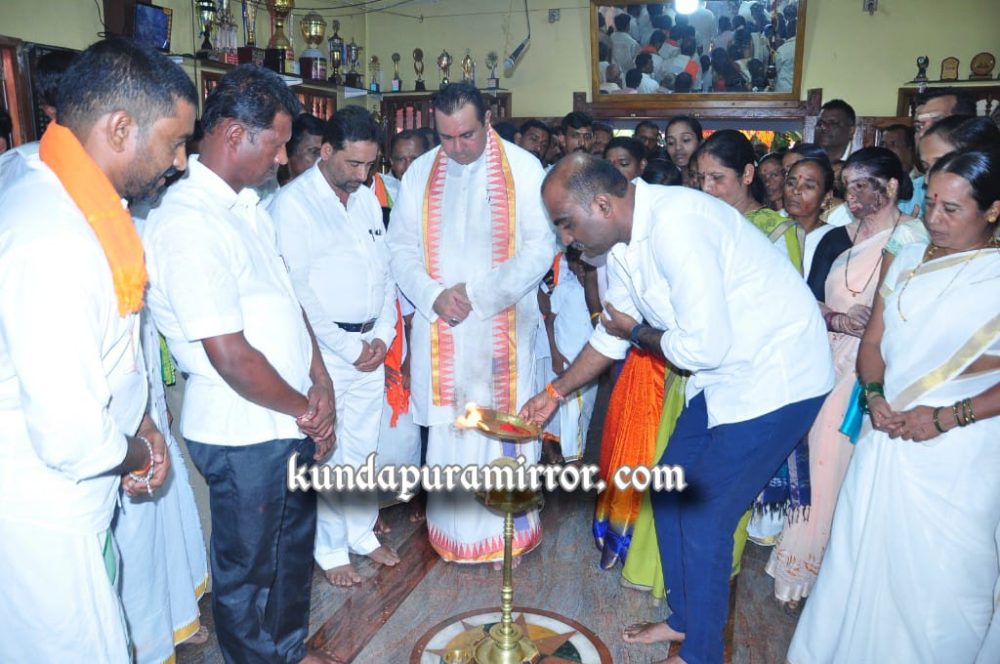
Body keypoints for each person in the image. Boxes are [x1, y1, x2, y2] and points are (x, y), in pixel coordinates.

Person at [524, 154, 833, 664]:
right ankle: (685, 619)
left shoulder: (679, 226)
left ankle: (701, 654)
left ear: (602, 204)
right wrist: (553, 393)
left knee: (707, 514)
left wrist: (636, 332)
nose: (565, 238)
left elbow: (695, 346)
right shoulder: (619, 245)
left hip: (779, 377)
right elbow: (612, 333)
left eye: (566, 223)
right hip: (724, 376)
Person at [0, 37, 190, 662]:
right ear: (120, 128)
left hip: (81, 498)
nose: (181, 162)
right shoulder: (51, 237)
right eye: (174, 142)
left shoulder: (70, 191)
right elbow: (72, 437)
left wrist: (143, 422)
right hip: (44, 522)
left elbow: (112, 342)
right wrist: (139, 450)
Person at [143, 65, 335, 663]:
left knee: (290, 553)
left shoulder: (247, 207)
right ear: (234, 135)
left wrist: (321, 380)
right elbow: (229, 354)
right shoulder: (188, 220)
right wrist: (308, 410)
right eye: (276, 145)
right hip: (241, 431)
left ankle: (288, 650)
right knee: (247, 569)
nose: (282, 159)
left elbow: (287, 303)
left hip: (286, 418)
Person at [788, 149, 1000, 664]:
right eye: (931, 202)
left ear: (993, 210)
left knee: (942, 577)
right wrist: (875, 395)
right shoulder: (906, 256)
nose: (933, 218)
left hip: (960, 447)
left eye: (952, 209)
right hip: (885, 432)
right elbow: (873, 342)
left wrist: (945, 417)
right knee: (861, 552)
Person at [386, 82, 555, 564]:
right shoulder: (421, 173)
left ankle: (508, 538)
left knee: (502, 434)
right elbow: (400, 249)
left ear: (488, 122)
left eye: (467, 135)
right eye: (446, 137)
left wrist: (477, 296)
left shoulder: (523, 168)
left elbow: (539, 250)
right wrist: (434, 296)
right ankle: (454, 537)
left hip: (503, 326)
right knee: (451, 434)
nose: (457, 148)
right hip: (442, 328)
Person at [766, 147, 914, 607]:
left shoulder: (913, 239)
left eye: (860, 185)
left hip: (878, 368)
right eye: (846, 185)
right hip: (825, 358)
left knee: (843, 468)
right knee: (816, 460)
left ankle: (824, 575)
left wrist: (875, 328)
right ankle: (797, 568)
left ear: (891, 186)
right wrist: (838, 319)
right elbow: (805, 299)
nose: (849, 195)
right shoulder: (836, 237)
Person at [268, 106, 400, 587]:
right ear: (326, 151)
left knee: (364, 446)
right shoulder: (293, 204)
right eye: (353, 164)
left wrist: (383, 334)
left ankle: (360, 533)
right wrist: (346, 348)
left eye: (370, 164)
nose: (363, 175)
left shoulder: (365, 199)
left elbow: (384, 272)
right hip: (325, 353)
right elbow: (298, 292)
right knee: (327, 449)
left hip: (370, 343)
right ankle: (328, 548)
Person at [549, 247, 598, 462]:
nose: (581, 272)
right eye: (578, 267)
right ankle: (572, 458)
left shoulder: (598, 292)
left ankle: (579, 453)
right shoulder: (565, 290)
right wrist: (555, 354)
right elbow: (549, 322)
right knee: (572, 410)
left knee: (585, 410)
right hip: (568, 360)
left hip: (591, 361)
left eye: (585, 268)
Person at [383, 128, 431, 201]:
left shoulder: (441, 190)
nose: (408, 167)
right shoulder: (380, 193)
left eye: (414, 159)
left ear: (427, 159)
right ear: (392, 162)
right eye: (401, 159)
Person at [281, 112, 325, 185]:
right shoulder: (268, 190)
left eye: (324, 153)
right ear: (289, 152)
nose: (321, 160)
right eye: (314, 152)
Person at [664, 115, 703, 188]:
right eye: (671, 143)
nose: (678, 147)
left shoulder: (711, 184)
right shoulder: (665, 183)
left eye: (685, 140)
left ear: (700, 141)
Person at [815, 99, 857, 163]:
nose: (823, 127)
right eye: (820, 123)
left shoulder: (861, 163)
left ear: (851, 131)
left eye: (832, 123)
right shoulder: (806, 160)